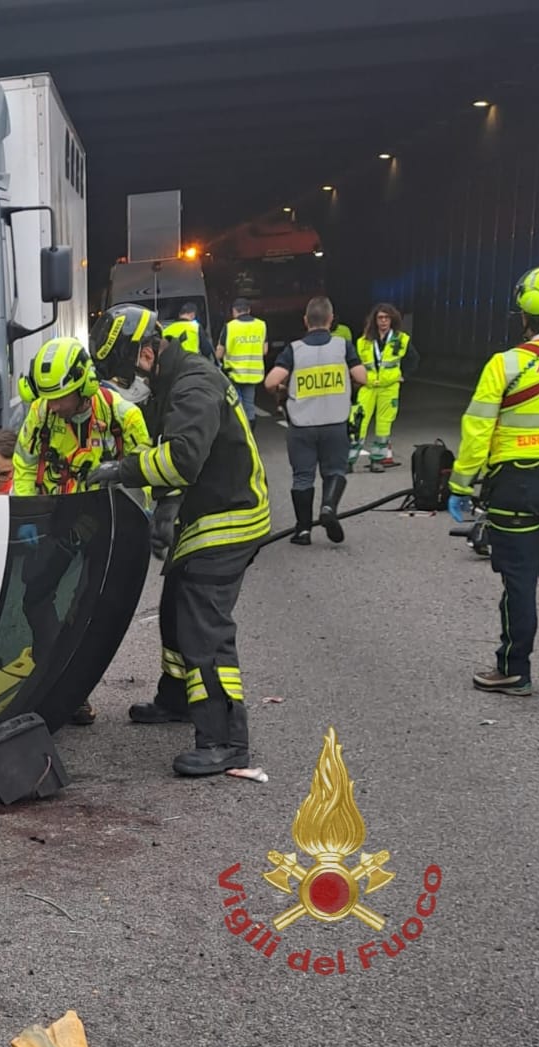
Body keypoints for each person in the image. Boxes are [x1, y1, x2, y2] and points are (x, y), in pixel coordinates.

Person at [85, 303, 271, 776]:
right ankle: (176, 698)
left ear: (147, 354)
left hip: (229, 518)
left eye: (125, 372)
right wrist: (164, 507)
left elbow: (183, 458)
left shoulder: (194, 385)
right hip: (204, 511)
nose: (125, 384)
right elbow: (164, 452)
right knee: (173, 609)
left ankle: (226, 740)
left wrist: (120, 472)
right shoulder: (170, 381)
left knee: (202, 627)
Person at [11, 336, 152, 725]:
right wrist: (26, 516)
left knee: (86, 612)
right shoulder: (40, 414)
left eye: (61, 398)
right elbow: (24, 466)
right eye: (49, 399)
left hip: (103, 525)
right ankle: (49, 680)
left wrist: (146, 521)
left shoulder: (123, 416)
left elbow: (147, 472)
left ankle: (73, 693)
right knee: (34, 598)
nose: (53, 406)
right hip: (55, 520)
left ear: (85, 386)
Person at [447, 267, 539, 698]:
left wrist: (461, 485)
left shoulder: (504, 365)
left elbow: (479, 429)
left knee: (519, 581)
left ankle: (513, 669)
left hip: (516, 489)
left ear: (523, 314)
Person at [265, 297, 367, 545]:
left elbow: (269, 382)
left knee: (302, 477)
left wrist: (282, 388)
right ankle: (329, 508)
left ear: (305, 321)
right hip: (335, 423)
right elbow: (361, 377)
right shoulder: (343, 346)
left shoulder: (295, 349)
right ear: (331, 320)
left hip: (302, 426)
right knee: (334, 471)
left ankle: (303, 531)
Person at [351, 302, 421, 472]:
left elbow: (414, 359)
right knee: (357, 421)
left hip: (389, 387)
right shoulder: (363, 341)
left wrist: (403, 376)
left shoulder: (401, 339)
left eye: (386, 318)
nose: (383, 321)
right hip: (368, 386)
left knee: (384, 425)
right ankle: (348, 460)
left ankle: (377, 460)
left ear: (392, 320)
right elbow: (353, 362)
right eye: (380, 318)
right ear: (374, 320)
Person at [216, 298, 268, 426]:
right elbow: (265, 350)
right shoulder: (261, 325)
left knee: (235, 405)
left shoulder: (229, 327)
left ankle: (238, 433)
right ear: (249, 310)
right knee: (249, 405)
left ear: (234, 311)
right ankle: (249, 433)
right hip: (253, 373)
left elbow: (219, 353)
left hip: (233, 374)